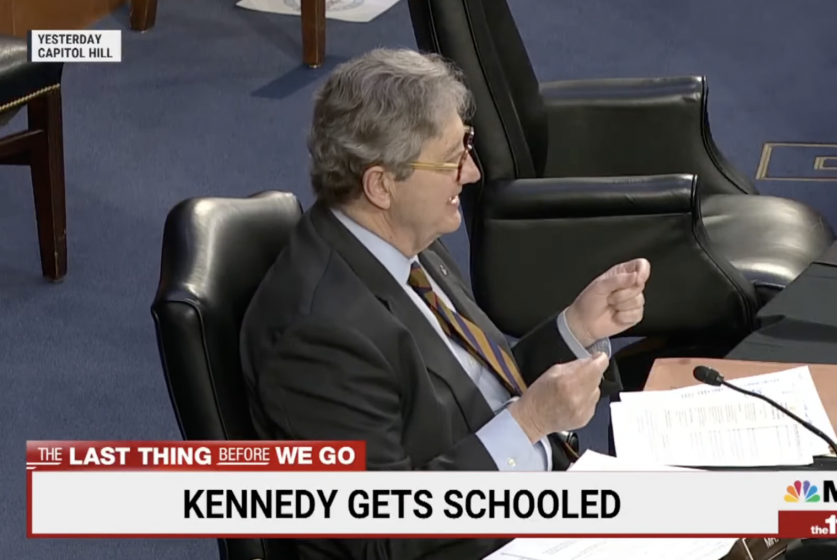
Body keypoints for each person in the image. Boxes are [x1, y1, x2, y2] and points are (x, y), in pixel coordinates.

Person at [240, 48, 650, 560]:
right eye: (452, 158)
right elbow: (383, 538)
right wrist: (530, 423)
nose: (472, 172)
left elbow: (468, 395)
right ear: (381, 185)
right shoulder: (319, 336)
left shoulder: (407, 241)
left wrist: (576, 328)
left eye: (467, 145)